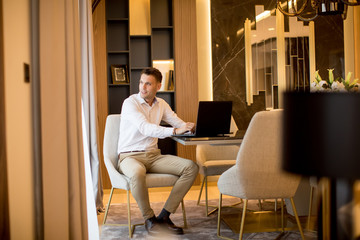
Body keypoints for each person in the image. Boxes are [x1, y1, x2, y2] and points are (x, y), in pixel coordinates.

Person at [117, 67, 199, 236]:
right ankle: (149, 219)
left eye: (148, 84)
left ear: (158, 86)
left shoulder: (161, 104)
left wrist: (189, 127)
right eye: (141, 82)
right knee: (137, 173)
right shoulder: (130, 103)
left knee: (191, 167)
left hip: (154, 156)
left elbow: (177, 122)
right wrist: (176, 131)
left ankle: (164, 217)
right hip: (130, 156)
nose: (143, 87)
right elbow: (146, 128)